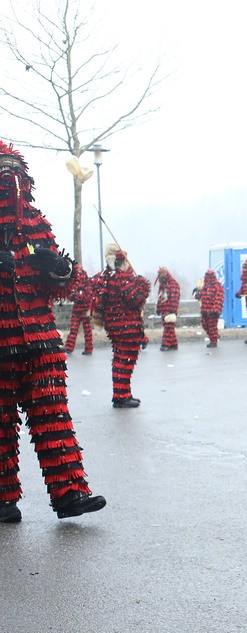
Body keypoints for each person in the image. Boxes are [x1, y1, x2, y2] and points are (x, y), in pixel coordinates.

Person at [0, 139, 107, 523]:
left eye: (13, 171)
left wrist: (59, 270)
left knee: (53, 416)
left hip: (41, 341)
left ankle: (70, 495)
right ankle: (3, 498)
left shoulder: (37, 224)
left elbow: (67, 281)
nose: (9, 180)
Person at [94, 248, 150, 409]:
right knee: (124, 362)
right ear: (123, 262)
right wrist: (143, 285)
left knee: (121, 360)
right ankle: (121, 396)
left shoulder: (108, 277)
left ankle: (122, 393)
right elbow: (135, 299)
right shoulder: (122, 278)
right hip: (126, 327)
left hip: (115, 326)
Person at [63, 264, 95, 355]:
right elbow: (85, 295)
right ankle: (87, 348)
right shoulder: (83, 282)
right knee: (84, 330)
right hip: (81, 309)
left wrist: (77, 295)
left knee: (77, 329)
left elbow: (77, 296)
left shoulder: (80, 282)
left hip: (81, 309)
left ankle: (71, 347)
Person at [194, 269, 224, 347]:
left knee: (212, 326)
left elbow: (219, 298)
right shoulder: (205, 287)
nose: (206, 278)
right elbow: (200, 297)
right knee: (205, 325)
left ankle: (213, 341)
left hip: (212, 311)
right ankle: (214, 336)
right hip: (204, 310)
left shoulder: (217, 286)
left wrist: (216, 310)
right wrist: (197, 293)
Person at [155, 265, 181, 351]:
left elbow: (175, 297)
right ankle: (173, 344)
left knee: (168, 327)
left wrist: (173, 309)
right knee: (169, 327)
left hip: (169, 310)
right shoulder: (162, 285)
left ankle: (166, 344)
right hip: (164, 310)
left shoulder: (173, 283)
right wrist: (158, 308)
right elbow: (160, 298)